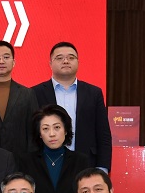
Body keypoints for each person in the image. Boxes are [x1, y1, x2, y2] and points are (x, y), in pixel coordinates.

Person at [32, 42, 113, 170]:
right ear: (50, 64)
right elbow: (31, 133)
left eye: (71, 57)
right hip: (46, 164)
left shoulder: (93, 93)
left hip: (86, 163)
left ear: (78, 63)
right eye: (59, 58)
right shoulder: (35, 93)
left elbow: (103, 134)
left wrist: (102, 168)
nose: (66, 61)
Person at [17, 105, 91, 193]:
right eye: (45, 129)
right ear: (39, 134)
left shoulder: (81, 161)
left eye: (57, 127)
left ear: (65, 130)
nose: (52, 134)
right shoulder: (26, 162)